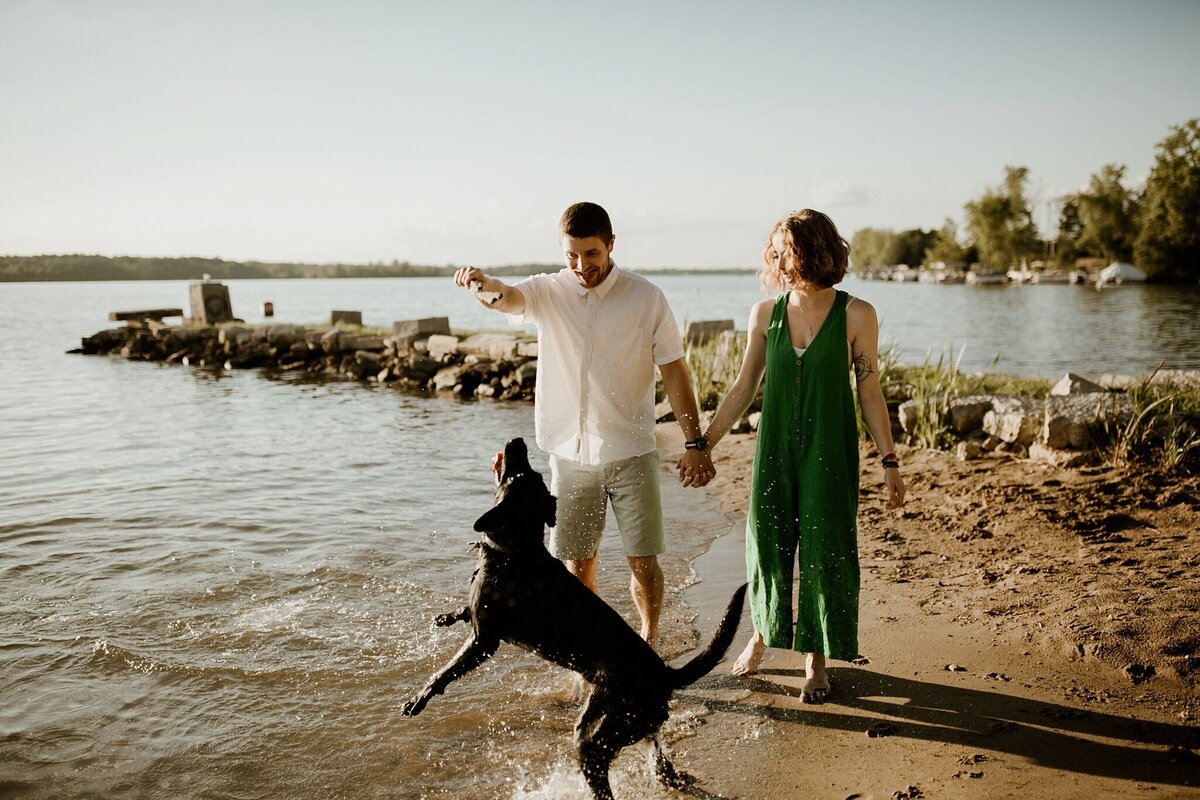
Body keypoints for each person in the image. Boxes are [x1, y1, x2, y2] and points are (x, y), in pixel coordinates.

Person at [453, 201, 715, 648]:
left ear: (611, 245)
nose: (581, 266)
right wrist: (482, 286)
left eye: (591, 254)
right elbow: (506, 297)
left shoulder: (646, 298)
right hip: (570, 457)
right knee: (577, 566)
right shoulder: (547, 290)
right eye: (571, 255)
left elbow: (674, 369)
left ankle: (648, 641)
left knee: (643, 562)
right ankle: (591, 653)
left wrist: (695, 443)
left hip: (631, 450)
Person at [698, 209, 906, 702]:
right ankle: (762, 636)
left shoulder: (857, 314)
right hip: (773, 452)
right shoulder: (764, 314)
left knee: (822, 549)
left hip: (828, 451)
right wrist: (703, 443)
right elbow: (744, 387)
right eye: (774, 249)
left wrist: (890, 461)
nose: (777, 257)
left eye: (786, 248)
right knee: (767, 547)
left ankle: (815, 659)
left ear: (815, 249)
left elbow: (870, 392)